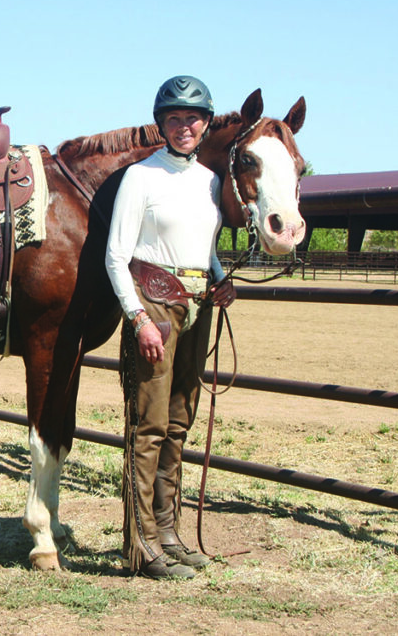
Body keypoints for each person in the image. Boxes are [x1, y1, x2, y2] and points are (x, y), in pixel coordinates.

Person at [104, 75, 237, 580]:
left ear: (206, 124)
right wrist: (137, 318)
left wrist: (221, 279)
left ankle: (168, 533)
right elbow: (116, 256)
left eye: (193, 118)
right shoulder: (140, 177)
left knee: (178, 424)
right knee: (149, 425)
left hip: (197, 306)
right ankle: (141, 546)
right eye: (175, 118)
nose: (185, 127)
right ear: (161, 124)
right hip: (154, 308)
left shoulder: (209, 181)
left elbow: (204, 248)